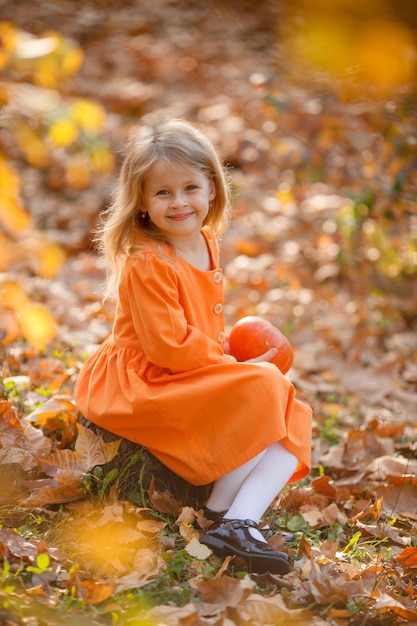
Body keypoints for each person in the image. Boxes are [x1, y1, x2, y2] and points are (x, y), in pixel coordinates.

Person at [74, 113, 312, 575]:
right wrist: (226, 361)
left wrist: (228, 361)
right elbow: (166, 346)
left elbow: (198, 329)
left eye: (190, 189)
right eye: (163, 192)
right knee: (264, 387)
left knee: (292, 409)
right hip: (141, 381)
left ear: (212, 189)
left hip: (185, 367)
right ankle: (224, 514)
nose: (179, 203)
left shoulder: (205, 239)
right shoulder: (148, 260)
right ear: (141, 202)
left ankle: (233, 520)